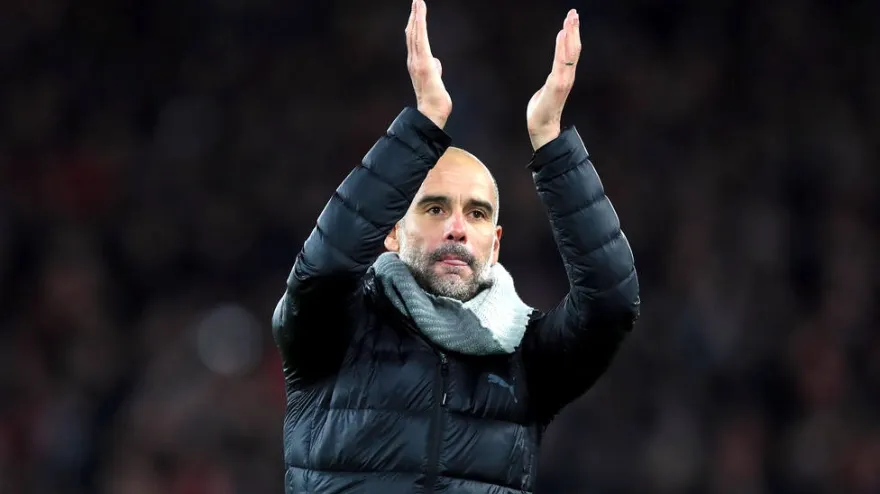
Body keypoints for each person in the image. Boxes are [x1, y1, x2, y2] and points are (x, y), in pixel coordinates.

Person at [271, 2, 640, 493]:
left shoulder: (525, 356)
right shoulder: (339, 330)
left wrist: (551, 142)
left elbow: (611, 303)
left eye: (478, 213)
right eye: (434, 208)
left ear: (495, 244)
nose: (458, 229)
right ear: (392, 233)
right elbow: (323, 270)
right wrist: (422, 125)